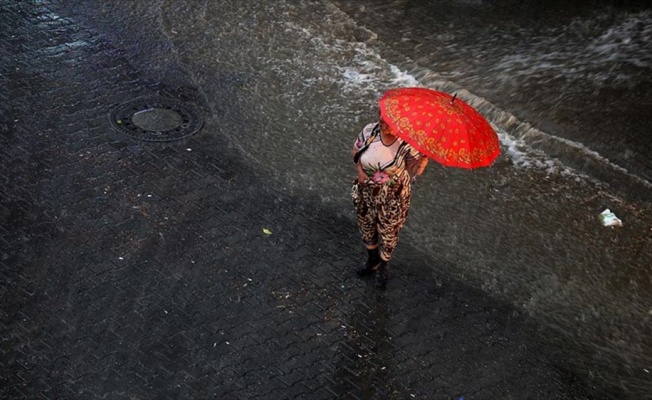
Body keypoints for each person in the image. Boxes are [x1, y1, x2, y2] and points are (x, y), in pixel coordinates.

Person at [351, 117, 428, 288]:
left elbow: (413, 169)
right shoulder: (370, 130)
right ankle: (372, 261)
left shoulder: (407, 141)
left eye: (389, 123)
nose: (384, 125)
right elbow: (356, 151)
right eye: (382, 120)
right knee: (366, 225)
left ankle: (383, 267)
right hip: (366, 191)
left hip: (393, 196)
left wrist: (422, 162)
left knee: (388, 232)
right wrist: (360, 171)